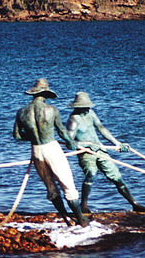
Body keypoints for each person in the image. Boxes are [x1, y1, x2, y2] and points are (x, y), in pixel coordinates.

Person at [13, 78, 89, 227]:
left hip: (36, 150)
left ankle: (66, 218)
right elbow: (61, 131)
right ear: (45, 94)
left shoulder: (21, 112)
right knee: (67, 184)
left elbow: (17, 135)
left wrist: (33, 137)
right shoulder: (51, 110)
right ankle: (81, 219)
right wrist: (70, 142)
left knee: (50, 187)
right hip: (52, 148)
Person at [66, 91, 145, 214]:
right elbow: (70, 143)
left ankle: (134, 203)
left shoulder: (90, 113)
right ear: (78, 106)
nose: (88, 108)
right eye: (85, 106)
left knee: (117, 177)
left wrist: (117, 143)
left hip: (100, 149)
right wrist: (86, 145)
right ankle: (83, 204)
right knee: (91, 174)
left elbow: (101, 128)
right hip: (86, 152)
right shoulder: (73, 120)